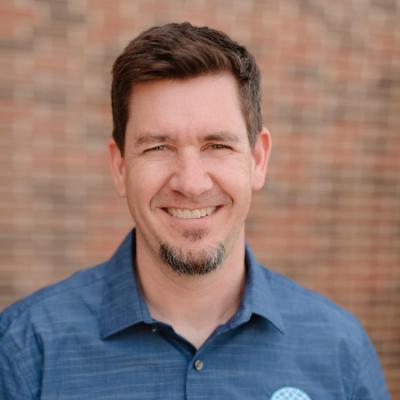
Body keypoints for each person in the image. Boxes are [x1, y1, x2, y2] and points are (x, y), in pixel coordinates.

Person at [0, 22, 390, 400]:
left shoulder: (340, 350)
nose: (191, 183)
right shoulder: (25, 350)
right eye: (158, 147)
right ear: (120, 167)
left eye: (217, 145)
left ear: (258, 159)